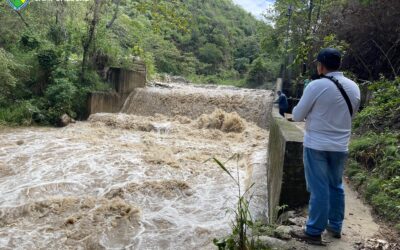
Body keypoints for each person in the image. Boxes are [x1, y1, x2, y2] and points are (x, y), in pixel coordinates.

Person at [290, 48, 361, 245]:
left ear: (321, 65)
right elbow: (350, 115)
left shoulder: (315, 86)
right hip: (340, 146)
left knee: (319, 188)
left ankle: (313, 231)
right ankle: (335, 226)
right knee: (336, 186)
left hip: (317, 146)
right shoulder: (354, 87)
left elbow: (297, 115)